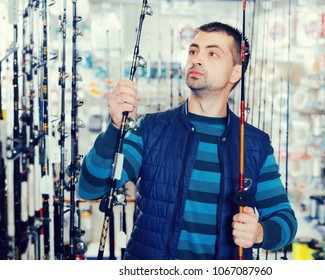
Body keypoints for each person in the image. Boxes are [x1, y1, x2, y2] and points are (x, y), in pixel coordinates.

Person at [78, 21, 298, 260]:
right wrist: (115, 128)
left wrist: (259, 233)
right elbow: (91, 188)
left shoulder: (256, 144)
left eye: (212, 53)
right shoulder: (150, 128)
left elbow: (284, 219)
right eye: (193, 51)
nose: (197, 59)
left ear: (235, 72)